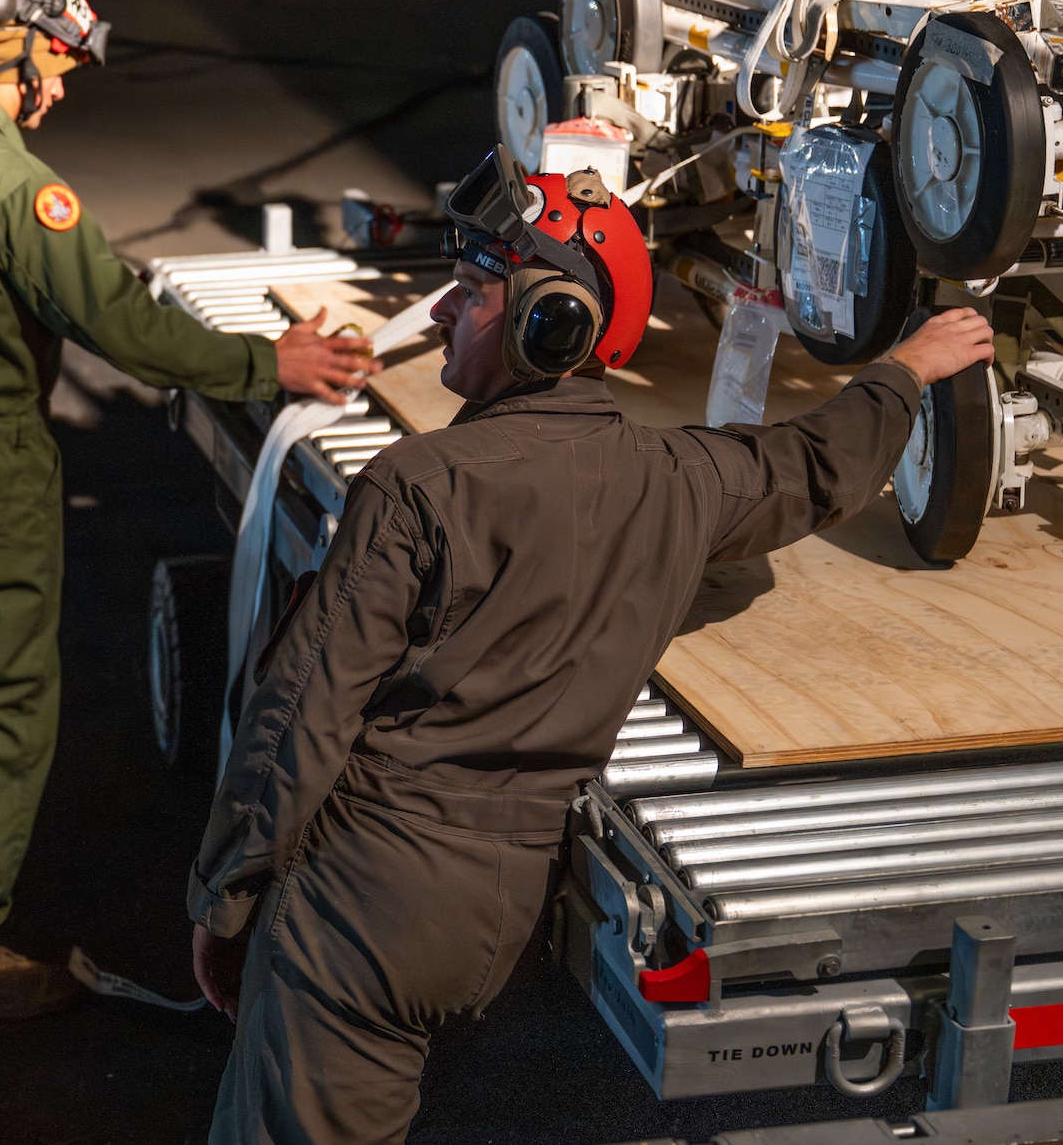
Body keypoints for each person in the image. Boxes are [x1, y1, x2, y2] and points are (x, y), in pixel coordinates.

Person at [186, 149, 996, 1144]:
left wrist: (223, 898)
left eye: (471, 290)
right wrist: (905, 369)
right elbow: (814, 466)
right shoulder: (679, 479)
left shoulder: (415, 487)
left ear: (552, 320)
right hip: (493, 912)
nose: (439, 311)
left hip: (364, 899)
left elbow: (299, 720)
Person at [0, 0, 377, 1019]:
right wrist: (268, 363)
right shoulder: (18, 188)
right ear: (17, 48)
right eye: (60, 63)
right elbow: (120, 325)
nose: (62, 89)